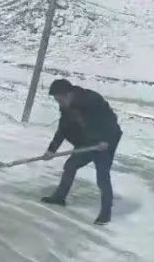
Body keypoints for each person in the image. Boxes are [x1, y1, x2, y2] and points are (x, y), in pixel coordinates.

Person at [40, 78, 122, 225]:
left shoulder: (92, 100)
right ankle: (59, 197)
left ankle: (106, 212)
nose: (58, 102)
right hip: (86, 142)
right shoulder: (66, 109)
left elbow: (110, 121)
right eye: (56, 99)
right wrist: (51, 150)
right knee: (70, 166)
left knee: (102, 175)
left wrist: (106, 141)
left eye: (59, 98)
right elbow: (62, 130)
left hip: (105, 141)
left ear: (68, 94)